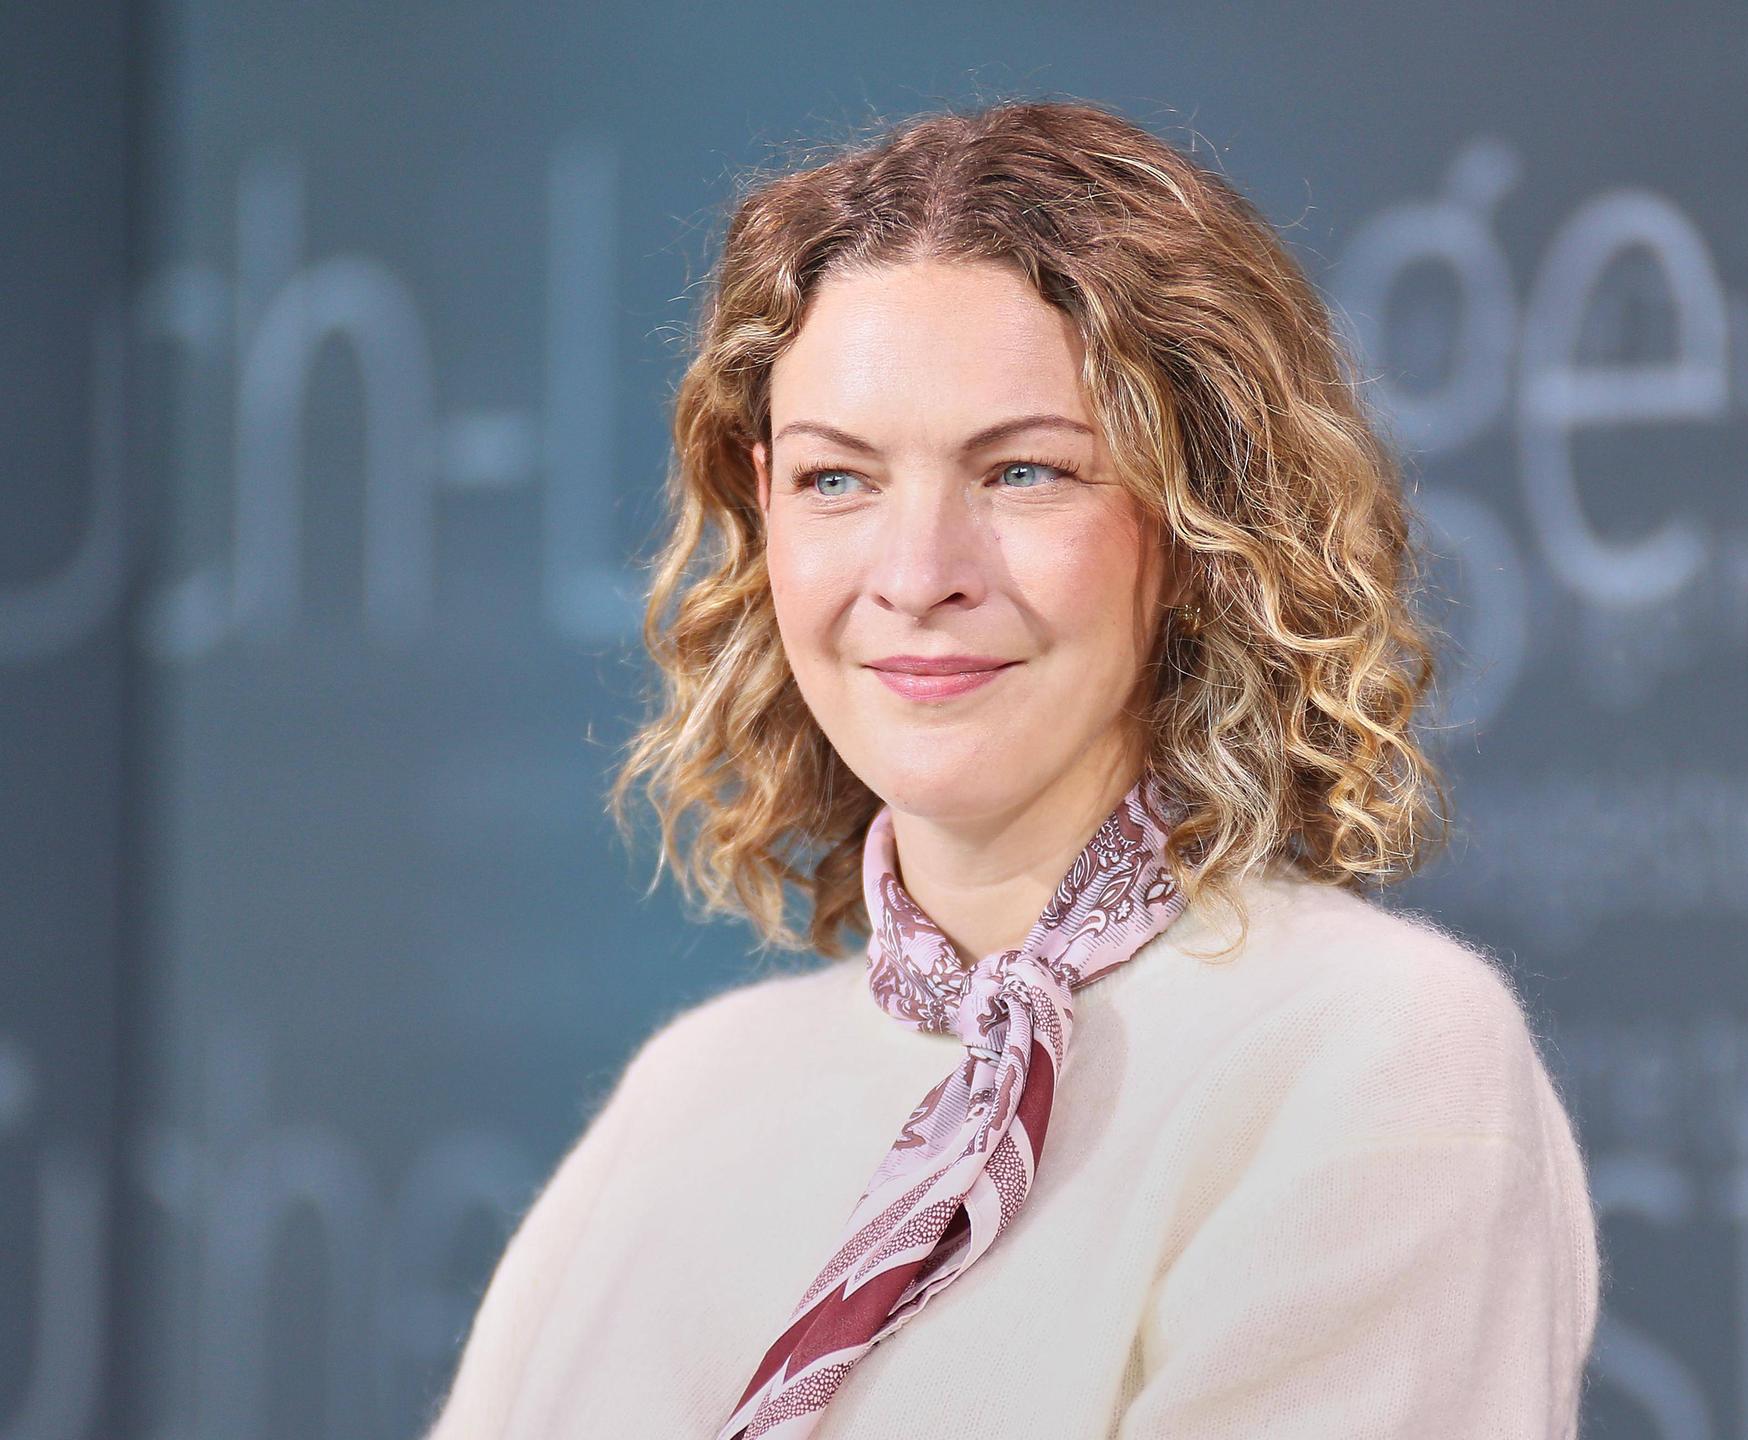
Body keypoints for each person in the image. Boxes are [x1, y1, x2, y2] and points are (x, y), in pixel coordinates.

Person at [422, 98, 1604, 1440]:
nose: (919, 577)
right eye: (836, 481)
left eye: (1025, 472)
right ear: (763, 512)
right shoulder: (686, 1102)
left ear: (1200, 521)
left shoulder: (1372, 1055)